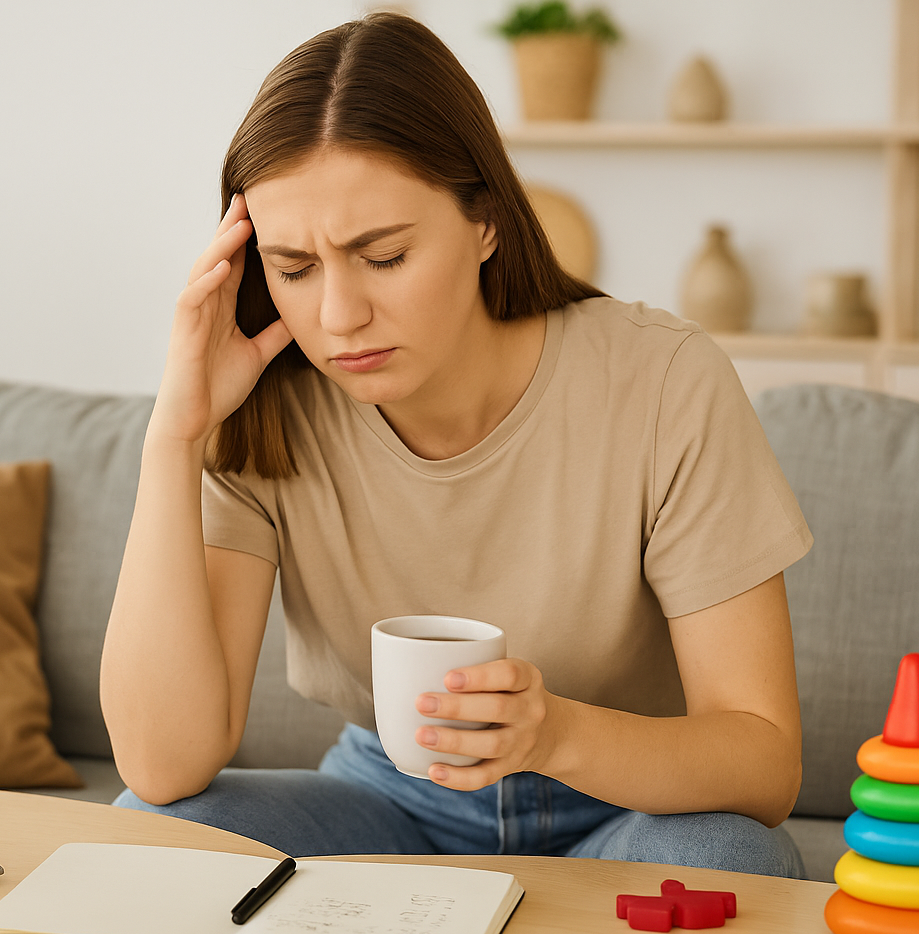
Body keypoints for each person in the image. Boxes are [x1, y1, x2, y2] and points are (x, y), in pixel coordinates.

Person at [99, 13, 812, 876]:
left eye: (385, 255)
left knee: (728, 853)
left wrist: (555, 732)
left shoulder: (664, 380)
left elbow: (765, 765)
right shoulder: (267, 406)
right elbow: (163, 766)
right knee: (150, 835)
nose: (338, 316)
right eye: (294, 268)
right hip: (388, 798)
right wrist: (175, 435)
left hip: (625, 802)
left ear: (485, 220)